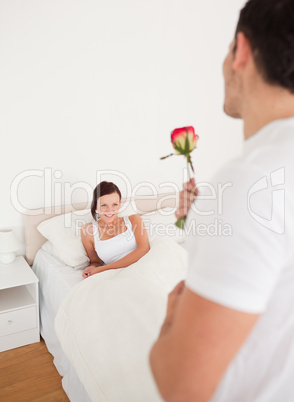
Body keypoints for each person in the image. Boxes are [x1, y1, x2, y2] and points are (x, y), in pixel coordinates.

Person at [149, 0, 294, 401]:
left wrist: (173, 320)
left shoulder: (247, 185)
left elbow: (180, 386)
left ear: (241, 51)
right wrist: (203, 219)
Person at [81, 181, 149, 278]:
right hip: (118, 276)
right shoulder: (88, 231)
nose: (110, 210)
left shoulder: (134, 220)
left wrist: (104, 269)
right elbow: (96, 262)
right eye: (104, 205)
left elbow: (144, 249)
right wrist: (92, 267)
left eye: (114, 204)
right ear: (95, 206)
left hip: (144, 266)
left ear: (120, 204)